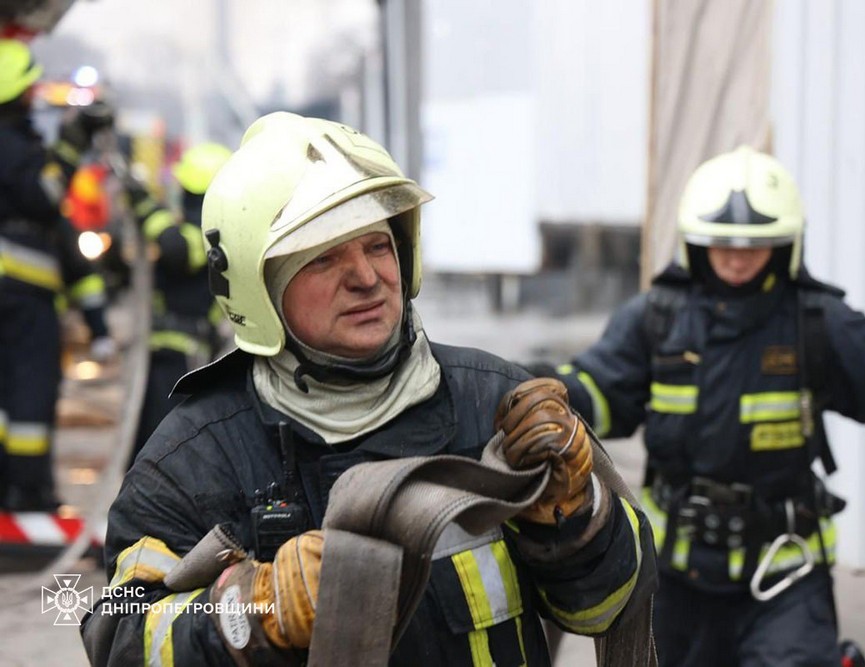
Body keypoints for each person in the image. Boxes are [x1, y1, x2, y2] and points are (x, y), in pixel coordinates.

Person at [81, 112, 655, 666]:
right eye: (325, 257)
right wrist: (259, 608)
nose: (366, 277)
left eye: (378, 246)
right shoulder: (195, 458)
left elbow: (608, 607)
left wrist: (574, 518)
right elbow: (113, 630)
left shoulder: (493, 404)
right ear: (259, 291)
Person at [528, 145, 865, 666]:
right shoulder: (655, 321)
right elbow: (600, 391)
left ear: (786, 246)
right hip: (673, 580)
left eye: (753, 245)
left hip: (783, 577)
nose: (735, 257)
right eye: (721, 243)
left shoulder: (819, 325)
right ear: (693, 244)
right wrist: (547, 393)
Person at [0, 38, 114, 511]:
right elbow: (47, 198)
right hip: (24, 297)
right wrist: (71, 145)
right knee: (30, 392)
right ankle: (28, 494)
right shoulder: (12, 145)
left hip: (23, 294)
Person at [125, 141, 230, 465]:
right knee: (150, 442)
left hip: (184, 361)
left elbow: (175, 249)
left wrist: (145, 206)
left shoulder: (214, 238)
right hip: (166, 357)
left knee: (167, 446)